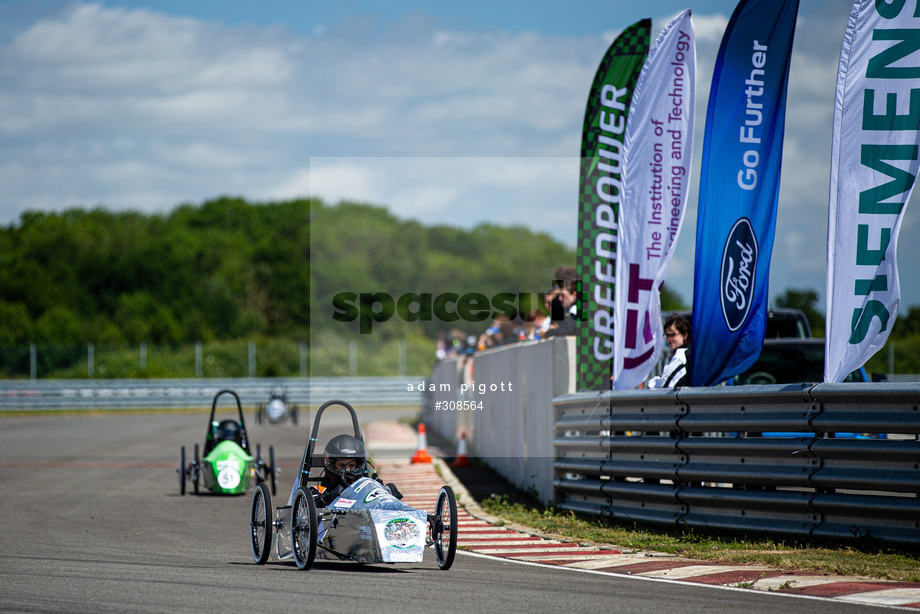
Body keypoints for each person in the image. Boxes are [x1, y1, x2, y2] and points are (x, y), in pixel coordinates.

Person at [305, 433, 403, 507]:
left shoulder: (366, 488)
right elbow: (316, 507)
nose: (347, 470)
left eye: (351, 465)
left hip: (366, 527)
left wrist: (379, 488)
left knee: (391, 489)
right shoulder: (319, 491)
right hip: (333, 530)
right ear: (331, 465)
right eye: (342, 465)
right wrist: (341, 488)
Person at [647, 313, 691, 388]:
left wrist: (652, 383)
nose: (669, 339)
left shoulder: (681, 356)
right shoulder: (692, 352)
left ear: (684, 335)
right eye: (667, 335)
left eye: (673, 335)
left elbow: (665, 385)